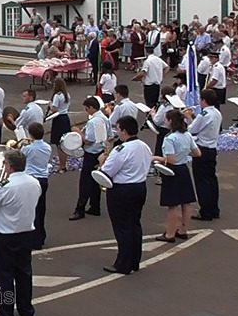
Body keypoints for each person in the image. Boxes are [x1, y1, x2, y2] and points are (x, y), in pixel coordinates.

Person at [0, 150, 41, 316]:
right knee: (24, 272)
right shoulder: (34, 182)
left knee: (5, 276)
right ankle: (26, 309)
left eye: (5, 164)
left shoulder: (4, 185)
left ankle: (6, 314)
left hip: (6, 235)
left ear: (10, 166)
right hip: (26, 233)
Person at [99, 116, 150, 275]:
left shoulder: (121, 149)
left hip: (122, 190)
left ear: (125, 131)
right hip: (140, 187)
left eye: (119, 129)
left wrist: (102, 161)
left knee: (122, 227)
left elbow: (107, 172)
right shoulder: (144, 146)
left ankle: (123, 263)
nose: (117, 133)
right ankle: (134, 260)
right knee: (134, 224)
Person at [153, 110, 200, 242]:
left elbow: (171, 159)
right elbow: (197, 153)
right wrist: (184, 154)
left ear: (171, 121)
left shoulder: (170, 138)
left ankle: (170, 233)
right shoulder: (187, 135)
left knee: (172, 204)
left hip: (172, 171)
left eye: (166, 120)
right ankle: (183, 230)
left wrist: (157, 158)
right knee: (186, 201)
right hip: (184, 169)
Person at [70, 97, 111, 221]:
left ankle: (79, 210)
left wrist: (78, 132)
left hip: (91, 153)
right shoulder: (104, 118)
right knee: (95, 181)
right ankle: (95, 206)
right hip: (100, 152)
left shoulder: (93, 122)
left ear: (92, 107)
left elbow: (89, 141)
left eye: (87, 109)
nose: (86, 111)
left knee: (85, 183)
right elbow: (109, 135)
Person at [186, 90, 223, 221]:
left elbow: (192, 130)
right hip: (212, 149)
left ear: (204, 101)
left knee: (202, 182)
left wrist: (189, 117)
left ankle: (205, 211)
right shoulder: (217, 113)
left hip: (202, 148)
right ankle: (214, 208)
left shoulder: (204, 114)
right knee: (211, 179)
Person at [21, 123, 51, 249]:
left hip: (31, 179)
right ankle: (41, 235)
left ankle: (33, 239)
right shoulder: (47, 147)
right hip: (43, 179)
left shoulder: (28, 148)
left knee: (31, 210)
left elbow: (21, 158)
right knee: (41, 208)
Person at [49, 77, 72, 172]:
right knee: (65, 143)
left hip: (58, 119)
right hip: (65, 118)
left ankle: (61, 165)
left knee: (59, 144)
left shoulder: (57, 96)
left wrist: (50, 104)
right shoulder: (67, 95)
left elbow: (54, 109)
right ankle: (65, 163)